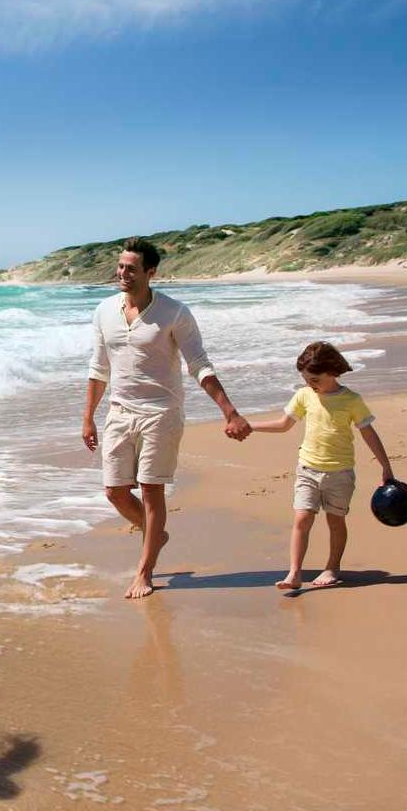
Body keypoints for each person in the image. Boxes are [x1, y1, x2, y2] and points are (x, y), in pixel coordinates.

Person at [82, 238, 252, 599]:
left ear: (151, 272)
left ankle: (144, 571)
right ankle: (155, 533)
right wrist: (88, 418)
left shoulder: (174, 312)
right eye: (120, 266)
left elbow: (200, 365)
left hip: (161, 414)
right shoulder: (103, 311)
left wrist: (229, 410)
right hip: (118, 413)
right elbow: (98, 370)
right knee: (114, 492)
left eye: (130, 268)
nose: (122, 273)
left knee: (150, 489)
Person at [245, 341, 396, 591]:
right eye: (306, 379)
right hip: (307, 469)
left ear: (332, 371)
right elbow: (284, 424)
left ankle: (332, 566)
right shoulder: (305, 396)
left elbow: (368, 433)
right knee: (302, 518)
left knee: (335, 521)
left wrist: (386, 467)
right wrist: (249, 425)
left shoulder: (351, 400)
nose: (310, 384)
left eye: (314, 379)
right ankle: (294, 573)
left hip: (340, 473)